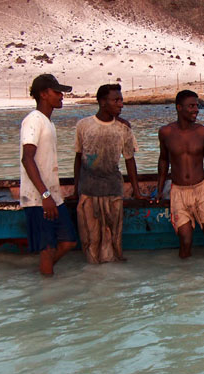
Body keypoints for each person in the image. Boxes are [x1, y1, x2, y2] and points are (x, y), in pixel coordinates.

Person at [73, 83, 148, 264]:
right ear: (102, 102)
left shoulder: (124, 129)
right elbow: (78, 158)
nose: (121, 104)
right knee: (91, 240)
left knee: (112, 240)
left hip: (113, 191)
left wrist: (137, 191)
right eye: (116, 100)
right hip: (89, 191)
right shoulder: (84, 125)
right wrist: (77, 189)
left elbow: (130, 160)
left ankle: (110, 280)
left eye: (121, 100)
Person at [156, 90, 204, 258]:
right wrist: (159, 190)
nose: (196, 110)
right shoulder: (166, 132)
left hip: (201, 189)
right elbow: (163, 161)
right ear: (179, 108)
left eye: (197, 105)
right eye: (191, 106)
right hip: (178, 191)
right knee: (185, 240)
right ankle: (184, 279)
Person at [20, 74, 77, 275]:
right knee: (47, 248)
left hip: (52, 196)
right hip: (39, 198)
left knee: (69, 241)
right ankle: (46, 290)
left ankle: (44, 277)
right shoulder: (33, 121)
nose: (61, 96)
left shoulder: (48, 123)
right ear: (44, 94)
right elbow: (27, 159)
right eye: (57, 92)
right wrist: (45, 196)